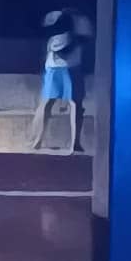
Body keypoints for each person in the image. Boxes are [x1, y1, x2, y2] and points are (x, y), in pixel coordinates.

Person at [30, 8, 91, 153]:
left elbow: (85, 40)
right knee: (49, 103)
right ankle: (38, 140)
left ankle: (74, 143)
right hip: (57, 66)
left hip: (70, 66)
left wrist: (73, 40)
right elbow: (47, 38)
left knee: (73, 103)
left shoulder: (81, 20)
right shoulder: (55, 16)